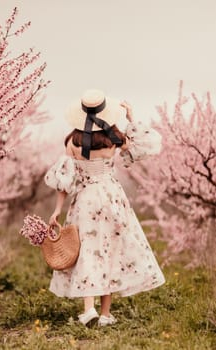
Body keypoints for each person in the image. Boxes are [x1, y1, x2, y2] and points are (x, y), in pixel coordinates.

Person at [44, 89, 165, 327]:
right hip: (111, 197)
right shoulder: (114, 138)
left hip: (86, 199)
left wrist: (57, 209)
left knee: (88, 250)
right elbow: (148, 145)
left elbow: (64, 182)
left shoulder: (72, 142)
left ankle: (90, 309)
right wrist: (131, 117)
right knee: (110, 250)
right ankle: (106, 314)